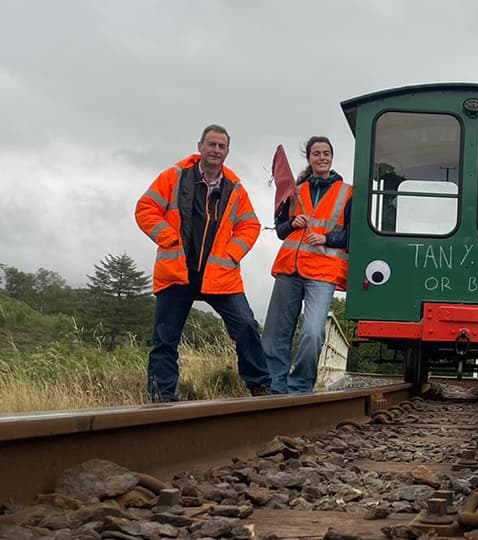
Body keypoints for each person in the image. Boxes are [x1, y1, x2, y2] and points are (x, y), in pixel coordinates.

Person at [135, 124, 272, 401]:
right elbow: (145, 208)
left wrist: (232, 254)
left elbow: (250, 225)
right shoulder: (175, 176)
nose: (216, 150)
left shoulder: (234, 187)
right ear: (200, 146)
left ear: (227, 152)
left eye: (221, 146)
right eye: (211, 144)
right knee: (165, 338)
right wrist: (169, 238)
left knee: (246, 326)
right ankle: (162, 396)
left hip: (220, 274)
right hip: (177, 270)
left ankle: (260, 386)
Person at [262, 136, 351, 394]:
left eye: (326, 153)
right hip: (289, 269)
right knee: (275, 335)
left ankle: (300, 387)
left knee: (313, 333)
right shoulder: (295, 191)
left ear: (332, 157)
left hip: (322, 273)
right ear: (309, 158)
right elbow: (280, 230)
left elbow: (354, 236)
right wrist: (293, 224)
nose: (321, 157)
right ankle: (275, 388)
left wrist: (327, 238)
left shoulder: (347, 193)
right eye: (316, 154)